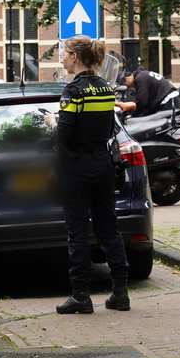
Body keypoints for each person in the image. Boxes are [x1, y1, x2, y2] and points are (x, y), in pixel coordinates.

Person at [49, 35, 129, 314]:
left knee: (78, 232)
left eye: (65, 54)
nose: (63, 59)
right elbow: (108, 129)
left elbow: (65, 136)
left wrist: (52, 122)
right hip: (103, 164)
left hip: (77, 168)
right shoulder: (106, 89)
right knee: (109, 228)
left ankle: (81, 296)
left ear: (75, 57)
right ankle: (120, 292)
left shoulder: (73, 91)